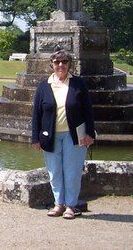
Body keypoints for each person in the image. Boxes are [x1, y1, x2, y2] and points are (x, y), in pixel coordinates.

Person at [31, 49, 95, 220]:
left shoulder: (78, 83)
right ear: (51, 64)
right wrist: (35, 138)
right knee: (54, 171)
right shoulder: (44, 86)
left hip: (74, 135)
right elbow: (36, 113)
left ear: (69, 64)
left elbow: (88, 110)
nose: (61, 65)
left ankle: (71, 206)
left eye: (64, 62)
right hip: (50, 136)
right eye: (57, 62)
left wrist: (90, 133)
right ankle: (58, 204)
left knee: (72, 171)